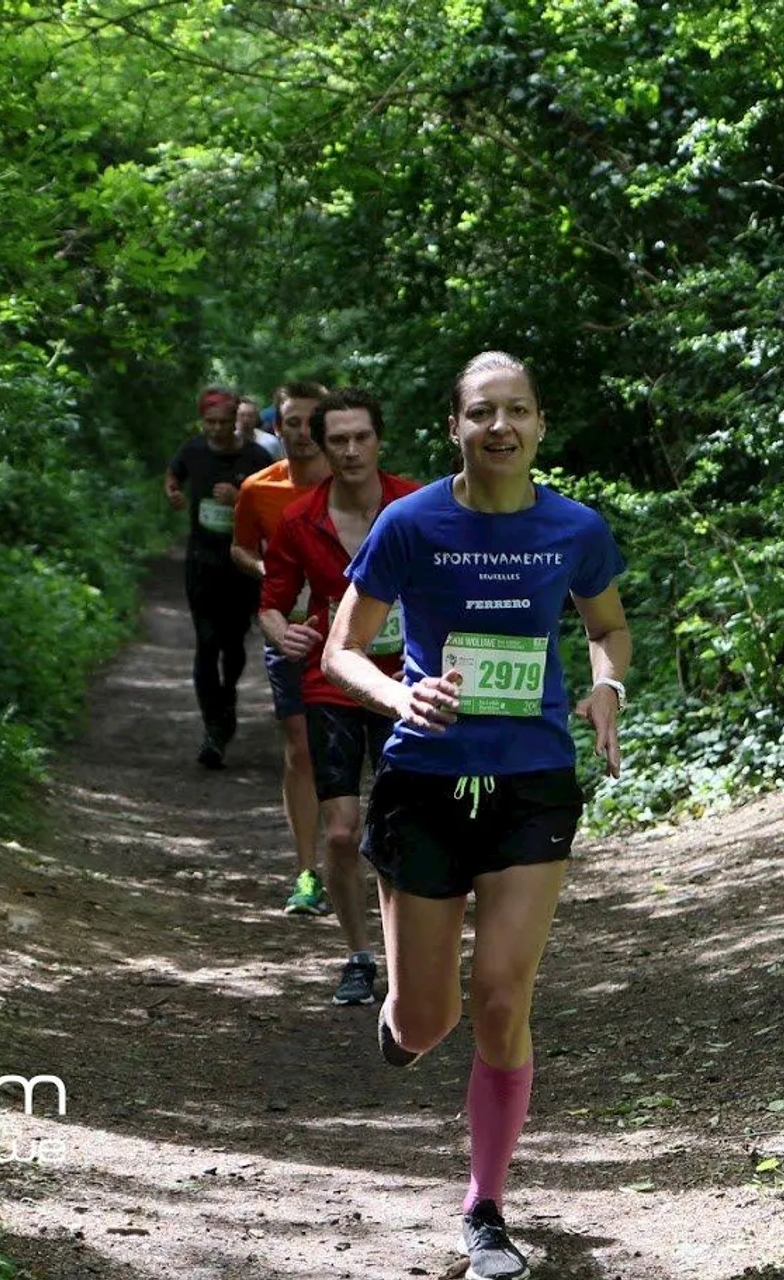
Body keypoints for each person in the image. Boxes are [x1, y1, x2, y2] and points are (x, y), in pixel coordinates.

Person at [322, 352, 629, 1280]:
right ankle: (400, 1022)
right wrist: (394, 698)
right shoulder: (411, 524)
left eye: (519, 413)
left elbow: (607, 627)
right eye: (483, 414)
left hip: (532, 778)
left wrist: (607, 683)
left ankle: (485, 1207)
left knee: (503, 995)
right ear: (453, 427)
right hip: (424, 781)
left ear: (540, 425)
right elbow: (344, 648)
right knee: (430, 1020)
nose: (502, 428)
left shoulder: (573, 527)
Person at [260, 388, 420, 1005]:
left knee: (408, 825)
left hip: (411, 684)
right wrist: (285, 631)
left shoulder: (418, 505)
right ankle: (359, 956)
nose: (351, 451)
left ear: (379, 440)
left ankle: (414, 953)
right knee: (341, 834)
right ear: (319, 447)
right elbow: (272, 603)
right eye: (338, 441)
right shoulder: (300, 519)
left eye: (361, 438)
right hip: (334, 680)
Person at [232, 380, 332, 913]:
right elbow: (240, 548)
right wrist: (271, 567)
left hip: (355, 633)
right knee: (300, 745)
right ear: (277, 426)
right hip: (288, 629)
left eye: (314, 421)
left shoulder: (353, 483)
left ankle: (375, 855)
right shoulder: (258, 489)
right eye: (293, 422)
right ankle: (306, 871)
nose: (303, 433)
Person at [166, 388, 275, 768]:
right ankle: (214, 727)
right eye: (209, 422)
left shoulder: (257, 457)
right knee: (206, 642)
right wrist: (174, 493)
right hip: (201, 562)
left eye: (222, 422)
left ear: (236, 422)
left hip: (241, 565)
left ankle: (227, 695)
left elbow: (270, 511)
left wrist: (240, 499)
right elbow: (174, 474)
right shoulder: (193, 450)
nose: (215, 429)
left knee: (233, 644)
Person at [237, 393, 285, 461]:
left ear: (256, 417)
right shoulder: (227, 442)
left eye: (250, 416)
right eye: (242, 415)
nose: (246, 420)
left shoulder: (271, 442)